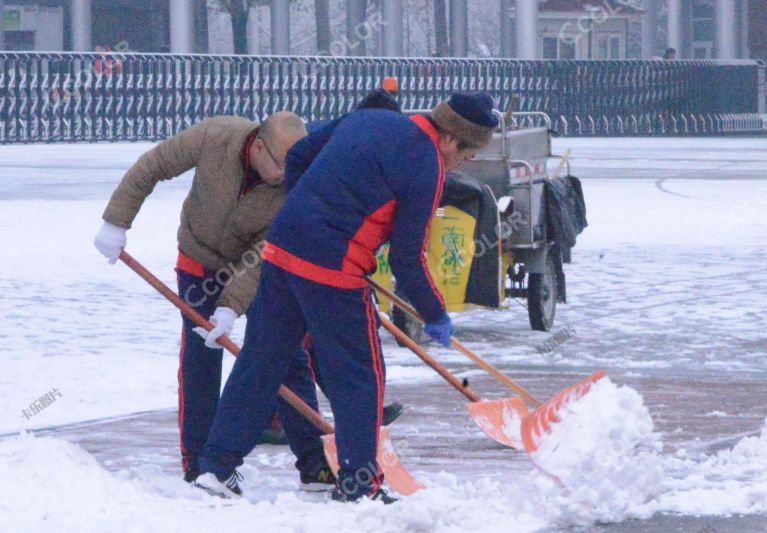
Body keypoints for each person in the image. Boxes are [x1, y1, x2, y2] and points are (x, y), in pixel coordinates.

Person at [194, 92, 499, 502]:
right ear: (452, 140)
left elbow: (300, 153)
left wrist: (307, 211)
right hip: (333, 271)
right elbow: (408, 258)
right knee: (361, 377)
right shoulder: (426, 164)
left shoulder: (370, 120)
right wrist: (435, 312)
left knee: (262, 361)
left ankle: (215, 467)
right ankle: (360, 486)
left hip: (283, 250)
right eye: (469, 154)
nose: (464, 163)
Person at [93, 112, 335, 489]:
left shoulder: (294, 181)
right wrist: (116, 221)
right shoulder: (214, 136)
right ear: (258, 146)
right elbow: (152, 166)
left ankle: (314, 463)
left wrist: (230, 306)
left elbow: (264, 250)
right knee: (200, 357)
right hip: (199, 259)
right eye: (279, 165)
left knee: (285, 352)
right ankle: (198, 460)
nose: (283, 175)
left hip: (257, 267)